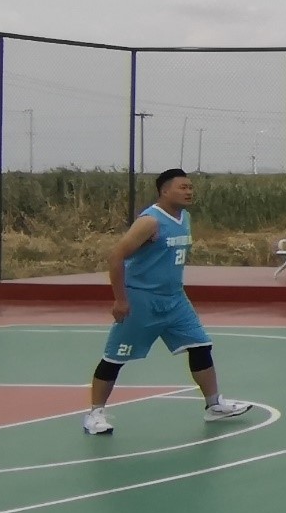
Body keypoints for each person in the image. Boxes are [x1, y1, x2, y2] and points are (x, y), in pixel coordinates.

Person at [79, 167, 253, 435]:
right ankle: (95, 413)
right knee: (115, 357)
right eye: (182, 187)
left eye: (190, 187)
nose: (189, 191)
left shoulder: (184, 218)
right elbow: (116, 257)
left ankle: (214, 405)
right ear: (164, 191)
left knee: (201, 346)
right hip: (142, 299)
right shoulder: (150, 222)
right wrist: (120, 299)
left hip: (175, 299)